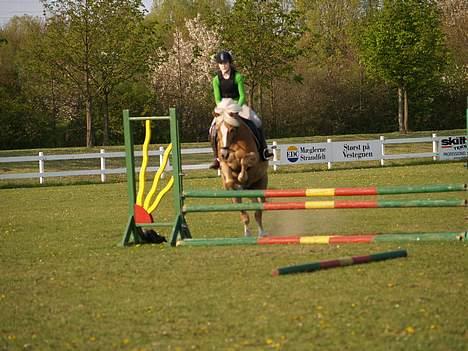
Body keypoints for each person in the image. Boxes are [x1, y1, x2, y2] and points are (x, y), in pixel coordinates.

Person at [209, 51, 273, 169]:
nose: (223, 65)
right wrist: (223, 109)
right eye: (221, 63)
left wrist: (236, 108)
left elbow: (242, 95)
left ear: (229, 63)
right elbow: (217, 98)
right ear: (218, 65)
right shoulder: (216, 79)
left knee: (256, 121)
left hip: (238, 104)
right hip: (223, 105)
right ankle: (216, 158)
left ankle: (264, 150)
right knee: (212, 128)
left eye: (225, 63)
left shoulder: (237, 76)